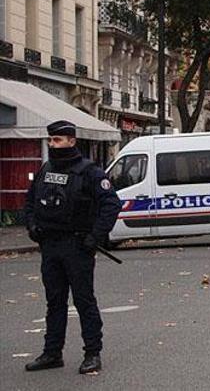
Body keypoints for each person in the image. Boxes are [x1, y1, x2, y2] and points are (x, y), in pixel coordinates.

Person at [23, 120, 121, 374]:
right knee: (54, 301)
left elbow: (111, 204)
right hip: (51, 245)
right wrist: (32, 226)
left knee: (83, 301)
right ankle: (52, 353)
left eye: (57, 140)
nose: (53, 144)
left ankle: (92, 354)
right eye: (50, 140)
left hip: (77, 246)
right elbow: (31, 201)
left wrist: (95, 237)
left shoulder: (89, 171)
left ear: (71, 141)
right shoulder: (46, 169)